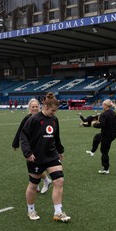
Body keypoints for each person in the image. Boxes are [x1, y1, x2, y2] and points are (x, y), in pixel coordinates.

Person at [20, 92, 70, 222]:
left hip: (51, 155)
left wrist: (60, 150)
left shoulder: (54, 120)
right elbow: (23, 136)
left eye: (55, 111)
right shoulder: (34, 119)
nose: (54, 113)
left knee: (59, 180)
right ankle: (31, 210)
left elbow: (56, 136)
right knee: (33, 184)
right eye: (53, 110)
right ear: (46, 107)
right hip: (36, 157)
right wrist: (28, 153)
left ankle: (58, 212)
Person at [12, 98, 52, 194]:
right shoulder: (27, 118)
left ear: (39, 107)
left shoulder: (43, 117)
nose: (35, 108)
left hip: (40, 146)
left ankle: (45, 180)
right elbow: (20, 131)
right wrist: (15, 143)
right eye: (33, 107)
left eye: (36, 106)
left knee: (35, 165)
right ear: (29, 108)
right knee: (33, 166)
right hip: (29, 147)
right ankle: (39, 183)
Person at [92, 99, 116, 174]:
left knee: (104, 151)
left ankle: (105, 168)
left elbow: (101, 125)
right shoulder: (113, 113)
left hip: (106, 135)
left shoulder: (104, 114)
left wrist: (94, 124)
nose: (102, 106)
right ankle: (93, 150)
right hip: (112, 134)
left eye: (103, 104)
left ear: (105, 105)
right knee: (97, 136)